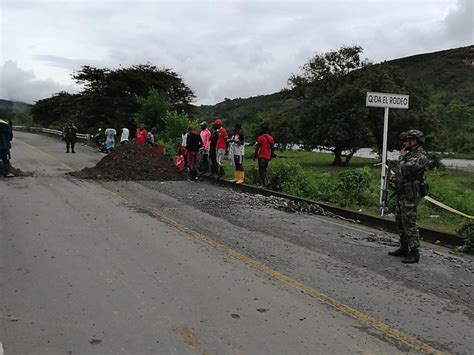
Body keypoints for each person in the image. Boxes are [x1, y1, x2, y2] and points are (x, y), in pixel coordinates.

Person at [388, 129, 429, 264]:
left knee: (409, 222)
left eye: (408, 140)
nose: (405, 143)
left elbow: (407, 168)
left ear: (415, 141)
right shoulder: (410, 154)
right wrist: (396, 177)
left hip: (411, 195)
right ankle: (404, 247)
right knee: (400, 220)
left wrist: (401, 157)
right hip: (403, 192)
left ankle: (414, 251)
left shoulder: (420, 156)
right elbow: (402, 171)